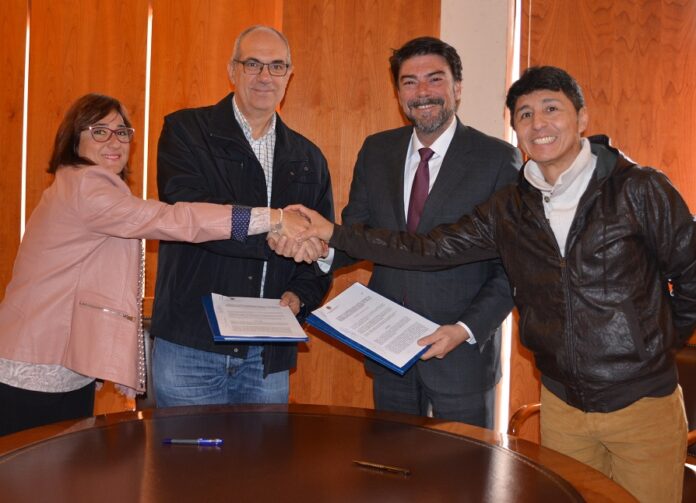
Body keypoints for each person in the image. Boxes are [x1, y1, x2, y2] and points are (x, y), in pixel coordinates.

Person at [287, 66, 695, 503]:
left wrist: (654, 345)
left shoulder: (639, 188)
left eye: (551, 109)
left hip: (641, 403)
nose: (538, 124)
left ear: (581, 117)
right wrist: (332, 232)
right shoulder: (512, 206)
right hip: (561, 404)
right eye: (525, 115)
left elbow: (690, 275)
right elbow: (430, 248)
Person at [0, 93, 305, 436]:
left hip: (57, 359)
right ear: (74, 139)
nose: (114, 141)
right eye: (99, 131)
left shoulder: (87, 185)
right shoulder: (85, 186)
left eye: (122, 132)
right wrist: (271, 218)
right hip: (36, 362)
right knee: (30, 466)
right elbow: (175, 220)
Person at [272, 37, 520, 427]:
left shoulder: (498, 158)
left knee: (467, 465)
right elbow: (358, 234)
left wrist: (464, 330)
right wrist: (322, 249)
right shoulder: (377, 151)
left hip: (460, 355)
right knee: (392, 460)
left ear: (457, 87)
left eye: (435, 79)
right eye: (409, 82)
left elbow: (510, 268)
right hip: (388, 350)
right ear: (398, 94)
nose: (422, 92)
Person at [150, 25, 334, 407]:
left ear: (289, 75)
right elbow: (191, 214)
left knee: (263, 450)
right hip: (191, 345)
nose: (265, 76)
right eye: (253, 64)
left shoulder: (309, 158)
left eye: (276, 66)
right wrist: (276, 227)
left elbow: (321, 247)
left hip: (267, 354)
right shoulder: (185, 132)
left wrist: (300, 296)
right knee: (189, 449)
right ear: (232, 70)